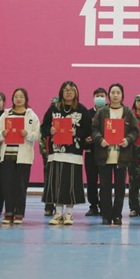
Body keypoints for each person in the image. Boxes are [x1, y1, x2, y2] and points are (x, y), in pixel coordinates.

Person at [41, 81, 91, 226]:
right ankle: (57, 213)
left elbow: (88, 130)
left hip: (74, 153)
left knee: (71, 185)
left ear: (76, 93)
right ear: (61, 92)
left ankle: (68, 213)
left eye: (71, 90)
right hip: (56, 152)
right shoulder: (53, 109)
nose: (69, 92)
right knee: (56, 184)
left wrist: (77, 132)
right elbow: (43, 127)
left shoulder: (82, 110)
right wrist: (50, 130)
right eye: (66, 90)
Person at [91, 83, 139, 225]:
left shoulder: (128, 112)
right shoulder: (102, 112)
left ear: (122, 95)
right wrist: (100, 139)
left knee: (120, 189)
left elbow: (135, 131)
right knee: (105, 187)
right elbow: (94, 130)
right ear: (109, 95)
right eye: (113, 92)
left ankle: (117, 215)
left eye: (118, 92)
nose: (115, 95)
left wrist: (128, 140)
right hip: (104, 156)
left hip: (122, 156)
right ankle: (106, 215)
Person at [0, 87, 41, 225]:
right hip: (7, 155)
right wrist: (2, 134)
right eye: (16, 96)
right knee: (7, 185)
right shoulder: (6, 114)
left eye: (21, 96)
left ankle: (19, 213)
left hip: (24, 156)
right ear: (12, 99)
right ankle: (8, 212)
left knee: (21, 186)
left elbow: (37, 135)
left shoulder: (31, 115)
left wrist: (27, 134)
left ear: (26, 99)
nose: (18, 99)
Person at [83, 87, 107, 217]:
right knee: (91, 181)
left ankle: (104, 205)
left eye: (102, 96)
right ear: (93, 98)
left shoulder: (110, 112)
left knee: (104, 181)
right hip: (90, 152)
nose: (100, 98)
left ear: (106, 98)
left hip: (105, 152)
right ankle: (93, 206)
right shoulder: (87, 113)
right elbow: (83, 131)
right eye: (97, 96)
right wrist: (86, 140)